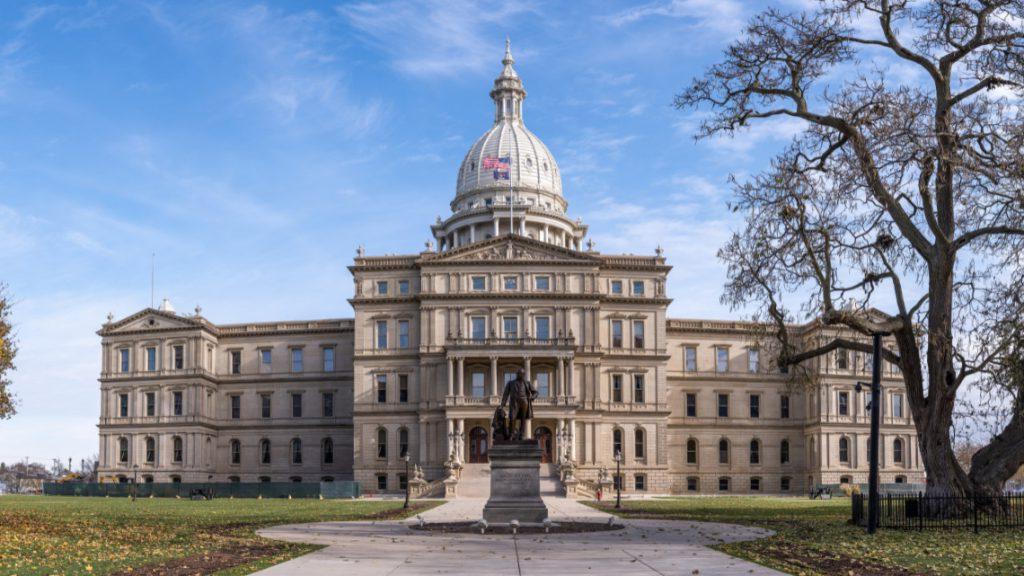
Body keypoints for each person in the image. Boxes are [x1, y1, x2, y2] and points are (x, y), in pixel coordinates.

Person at [500, 369, 536, 441]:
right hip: (514, 402)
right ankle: (511, 434)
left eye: (522, 374)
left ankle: (521, 435)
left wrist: (532, 397)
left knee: (523, 419)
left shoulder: (527, 383)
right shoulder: (510, 383)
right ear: (517, 374)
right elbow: (505, 394)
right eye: (519, 374)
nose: (521, 375)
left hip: (524, 402)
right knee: (512, 418)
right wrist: (502, 404)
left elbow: (535, 392)